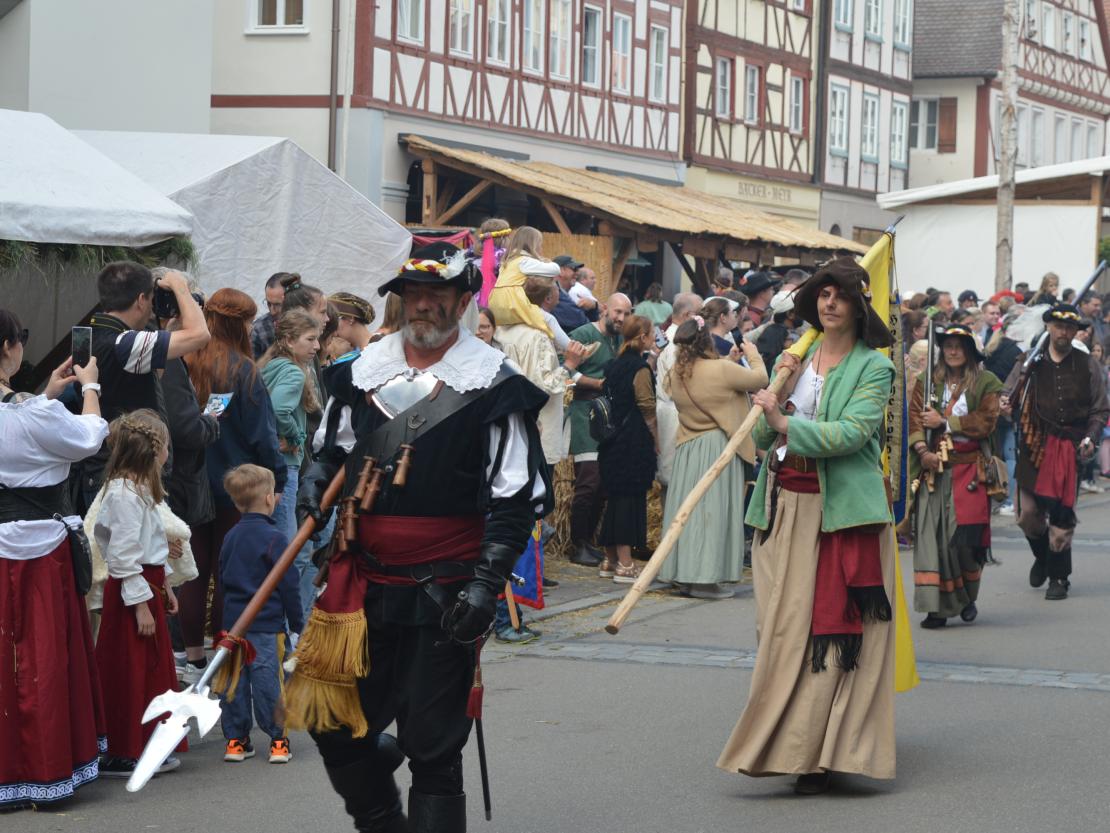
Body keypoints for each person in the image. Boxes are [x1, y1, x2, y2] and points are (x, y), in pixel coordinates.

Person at [289, 242, 550, 831]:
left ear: (462, 303)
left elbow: (515, 498)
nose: (424, 306)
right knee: (333, 723)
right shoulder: (357, 374)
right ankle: (383, 821)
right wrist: (315, 484)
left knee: (434, 747)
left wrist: (487, 586)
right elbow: (330, 451)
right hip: (359, 579)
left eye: (438, 296)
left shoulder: (495, 385)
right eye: (414, 295)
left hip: (447, 583)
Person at [718, 257, 896, 795]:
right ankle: (790, 743)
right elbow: (773, 438)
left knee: (829, 635)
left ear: (859, 305)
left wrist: (783, 421)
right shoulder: (796, 360)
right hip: (783, 508)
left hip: (841, 514)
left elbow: (853, 433)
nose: (831, 301)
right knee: (779, 632)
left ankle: (821, 754)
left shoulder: (875, 367)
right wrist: (770, 412)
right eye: (823, 293)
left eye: (841, 293)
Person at [0, 312, 108, 808]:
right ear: (8, 347)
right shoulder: (32, 415)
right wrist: (90, 389)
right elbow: (88, 438)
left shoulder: (29, 410)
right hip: (42, 551)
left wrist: (44, 393)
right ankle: (44, 772)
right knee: (42, 658)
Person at [179, 289, 287, 684]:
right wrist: (279, 476)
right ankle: (222, 656)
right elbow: (263, 434)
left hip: (190, 481)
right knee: (228, 573)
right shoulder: (243, 369)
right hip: (236, 485)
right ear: (239, 323)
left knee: (193, 571)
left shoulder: (184, 360)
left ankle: (191, 658)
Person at [93, 409, 185, 777]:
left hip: (146, 586)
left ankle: (144, 741)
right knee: (128, 669)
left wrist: (163, 584)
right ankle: (124, 748)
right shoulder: (123, 495)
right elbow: (123, 554)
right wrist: (141, 606)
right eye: (164, 447)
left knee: (147, 668)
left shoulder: (139, 490)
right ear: (153, 450)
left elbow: (149, 545)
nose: (167, 454)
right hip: (134, 592)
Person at [82, 262, 210, 508]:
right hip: (124, 476)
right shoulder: (125, 344)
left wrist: (169, 331)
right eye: (152, 300)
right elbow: (200, 335)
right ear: (141, 300)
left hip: (107, 470)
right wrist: (180, 288)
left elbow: (146, 380)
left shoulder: (95, 333)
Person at [657, 315, 767, 598]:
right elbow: (761, 379)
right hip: (717, 447)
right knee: (712, 514)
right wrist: (753, 355)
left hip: (687, 447)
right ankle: (705, 580)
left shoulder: (676, 373)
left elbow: (707, 384)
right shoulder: (720, 369)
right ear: (706, 340)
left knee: (686, 514)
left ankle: (684, 575)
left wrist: (727, 362)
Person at [1006, 303, 1110, 601]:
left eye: (1069, 328)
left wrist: (1090, 437)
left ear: (1075, 331)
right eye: (1058, 326)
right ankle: (1043, 556)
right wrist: (1003, 402)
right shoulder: (1030, 361)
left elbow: (1100, 409)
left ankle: (1059, 578)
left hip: (1069, 447)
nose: (1063, 332)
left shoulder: (1088, 363)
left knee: (1062, 516)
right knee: (1027, 514)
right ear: (1049, 327)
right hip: (1033, 444)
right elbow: (1009, 391)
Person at [909, 325, 1002, 628]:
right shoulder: (928, 382)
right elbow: (914, 419)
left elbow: (986, 421)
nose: (952, 351)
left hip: (970, 470)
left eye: (958, 346)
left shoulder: (986, 382)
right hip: (934, 470)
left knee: (964, 542)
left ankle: (968, 596)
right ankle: (936, 609)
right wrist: (923, 451)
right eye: (947, 345)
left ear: (969, 351)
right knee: (930, 540)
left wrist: (945, 422)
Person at [216, 464, 304, 764]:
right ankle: (278, 739)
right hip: (266, 625)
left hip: (233, 626)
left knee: (233, 683)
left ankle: (236, 740)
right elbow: (289, 583)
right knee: (268, 680)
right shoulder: (275, 538)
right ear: (270, 499)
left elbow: (222, 578)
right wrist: (297, 621)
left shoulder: (230, 537)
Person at [566, 294, 632, 566]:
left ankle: (589, 541)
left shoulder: (619, 338)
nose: (621, 318)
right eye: (617, 312)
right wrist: (598, 384)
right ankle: (577, 544)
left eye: (626, 313)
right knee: (589, 482)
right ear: (604, 308)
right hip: (585, 413)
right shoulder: (582, 333)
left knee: (603, 485)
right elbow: (565, 371)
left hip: (608, 418)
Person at [597, 316, 658, 583]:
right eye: (651, 334)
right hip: (633, 441)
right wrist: (655, 439)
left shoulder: (614, 365)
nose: (654, 338)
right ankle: (625, 563)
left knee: (614, 499)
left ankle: (609, 559)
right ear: (642, 337)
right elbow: (647, 408)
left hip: (610, 440)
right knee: (628, 501)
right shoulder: (640, 369)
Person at [259, 310, 323, 560]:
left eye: (317, 339)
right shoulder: (294, 373)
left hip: (265, 463)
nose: (316, 346)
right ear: (288, 341)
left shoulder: (270, 366)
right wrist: (296, 437)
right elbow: (279, 408)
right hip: (285, 466)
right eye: (310, 339)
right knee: (286, 546)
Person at [656, 292, 704, 498]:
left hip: (674, 410)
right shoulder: (677, 343)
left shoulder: (674, 338)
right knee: (675, 478)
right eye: (699, 315)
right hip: (674, 412)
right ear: (687, 315)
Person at [487, 226, 561, 336]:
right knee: (548, 319)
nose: (541, 248)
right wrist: (544, 261)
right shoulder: (524, 261)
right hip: (512, 302)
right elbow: (555, 269)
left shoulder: (508, 262)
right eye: (539, 244)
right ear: (533, 245)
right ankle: (570, 346)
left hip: (496, 302)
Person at [251, 272, 290, 359]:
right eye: (269, 304)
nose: (272, 311)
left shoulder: (310, 323)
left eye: (278, 305)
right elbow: (253, 370)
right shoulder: (258, 330)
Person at [551, 255, 590, 332]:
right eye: (574, 269)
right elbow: (582, 322)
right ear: (561, 271)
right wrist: (593, 308)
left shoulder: (563, 293)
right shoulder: (554, 294)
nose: (577, 273)